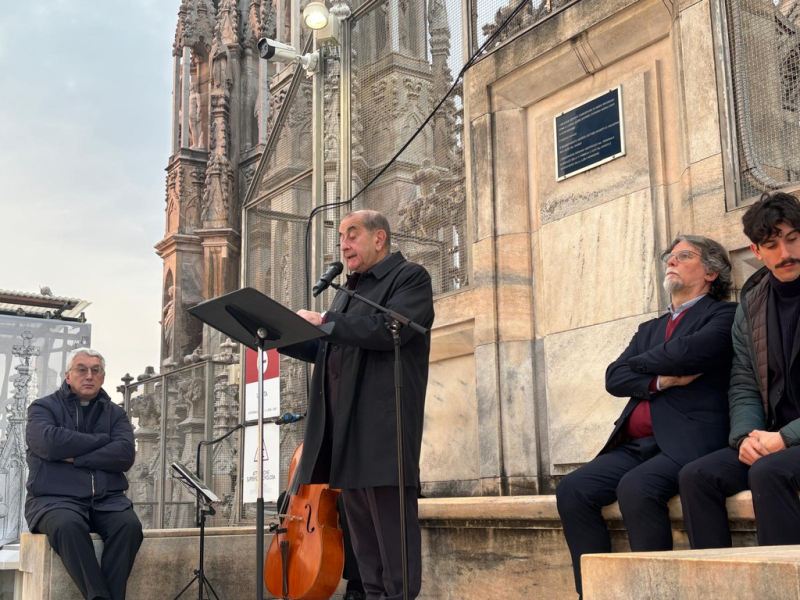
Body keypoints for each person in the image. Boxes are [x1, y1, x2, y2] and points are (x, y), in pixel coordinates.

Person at [556, 235, 737, 598]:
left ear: (711, 273)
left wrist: (637, 364)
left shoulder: (725, 314)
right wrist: (660, 379)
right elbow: (614, 378)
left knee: (637, 488)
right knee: (573, 490)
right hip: (637, 444)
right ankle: (592, 593)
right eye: (669, 257)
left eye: (684, 256)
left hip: (688, 440)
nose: (671, 261)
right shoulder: (649, 329)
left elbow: (691, 351)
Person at [282, 210, 434, 600]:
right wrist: (280, 336)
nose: (344, 244)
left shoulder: (409, 278)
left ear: (379, 238)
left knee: (393, 553)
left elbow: (390, 329)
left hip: (383, 433)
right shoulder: (350, 292)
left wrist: (326, 319)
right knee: (365, 555)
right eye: (340, 238)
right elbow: (331, 349)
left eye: (352, 235)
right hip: (344, 433)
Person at [680, 192, 800, 548]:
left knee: (768, 472)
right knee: (696, 477)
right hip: (775, 436)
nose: (785, 253)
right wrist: (747, 435)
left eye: (792, 239)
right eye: (772, 244)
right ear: (756, 250)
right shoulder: (753, 301)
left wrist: (786, 437)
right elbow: (745, 380)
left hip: (788, 439)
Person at [25, 348, 143, 600]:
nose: (88, 375)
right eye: (81, 369)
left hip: (106, 499)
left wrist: (76, 456)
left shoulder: (116, 413)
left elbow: (124, 454)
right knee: (68, 526)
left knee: (129, 526)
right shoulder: (43, 407)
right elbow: (49, 444)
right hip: (54, 499)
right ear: (68, 376)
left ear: (102, 377)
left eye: (95, 370)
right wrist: (101, 441)